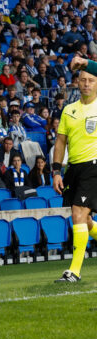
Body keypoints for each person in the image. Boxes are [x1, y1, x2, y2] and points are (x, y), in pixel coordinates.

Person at [52, 68, 97, 283]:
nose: (87, 84)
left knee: (78, 213)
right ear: (77, 83)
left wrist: (86, 61)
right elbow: (60, 142)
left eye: (91, 80)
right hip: (73, 169)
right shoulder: (68, 110)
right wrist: (56, 171)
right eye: (83, 80)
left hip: (94, 167)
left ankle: (74, 271)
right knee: (85, 220)